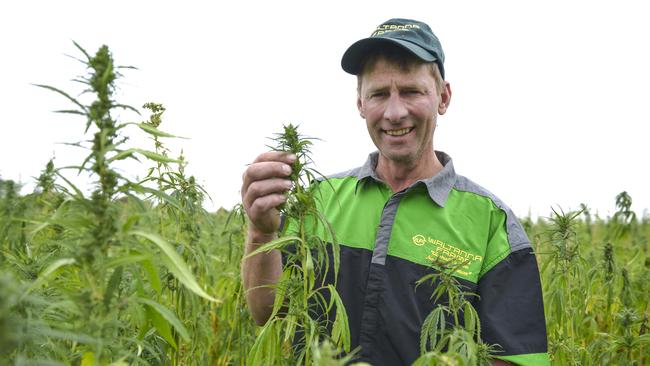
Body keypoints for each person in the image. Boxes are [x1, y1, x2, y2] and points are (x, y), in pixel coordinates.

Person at [241, 18, 549, 366]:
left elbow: (514, 357)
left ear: (443, 97)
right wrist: (262, 232)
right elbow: (267, 311)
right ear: (360, 103)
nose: (394, 112)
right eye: (378, 94)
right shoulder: (318, 201)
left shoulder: (492, 223)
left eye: (411, 91)